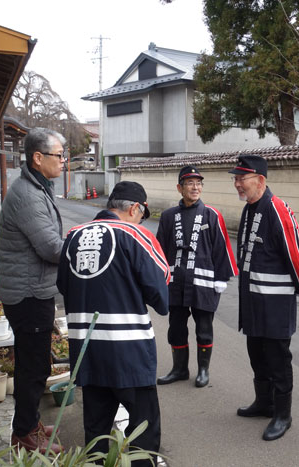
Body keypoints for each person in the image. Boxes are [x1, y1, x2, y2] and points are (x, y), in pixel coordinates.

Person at [57, 181, 170, 466]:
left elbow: (62, 284)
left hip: (86, 349)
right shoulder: (135, 234)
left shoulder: (72, 235)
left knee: (96, 431)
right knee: (143, 429)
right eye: (142, 214)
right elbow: (160, 293)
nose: (142, 219)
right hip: (128, 350)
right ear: (135, 208)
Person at [230, 154, 299, 441]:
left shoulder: (277, 208)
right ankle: (264, 403)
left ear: (261, 180)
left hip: (275, 304)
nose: (237, 184)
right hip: (253, 303)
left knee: (278, 360)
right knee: (257, 355)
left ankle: (283, 414)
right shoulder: (250, 208)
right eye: (236, 179)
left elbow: (298, 252)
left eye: (242, 179)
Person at [0, 127, 66, 454]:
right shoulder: (27, 194)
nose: (64, 161)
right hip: (28, 294)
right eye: (59, 155)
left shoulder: (36, 187)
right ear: (38, 158)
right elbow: (51, 247)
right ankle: (24, 433)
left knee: (35, 362)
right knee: (33, 366)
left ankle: (29, 422)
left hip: (31, 289)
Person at [156, 166, 238, 388]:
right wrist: (157, 280)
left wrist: (221, 279)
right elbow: (160, 251)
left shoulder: (211, 215)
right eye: (190, 183)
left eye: (199, 183)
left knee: (204, 329)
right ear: (179, 188)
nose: (195, 187)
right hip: (176, 283)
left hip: (203, 283)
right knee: (176, 328)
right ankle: (179, 369)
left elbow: (222, 249)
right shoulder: (168, 217)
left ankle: (203, 370)